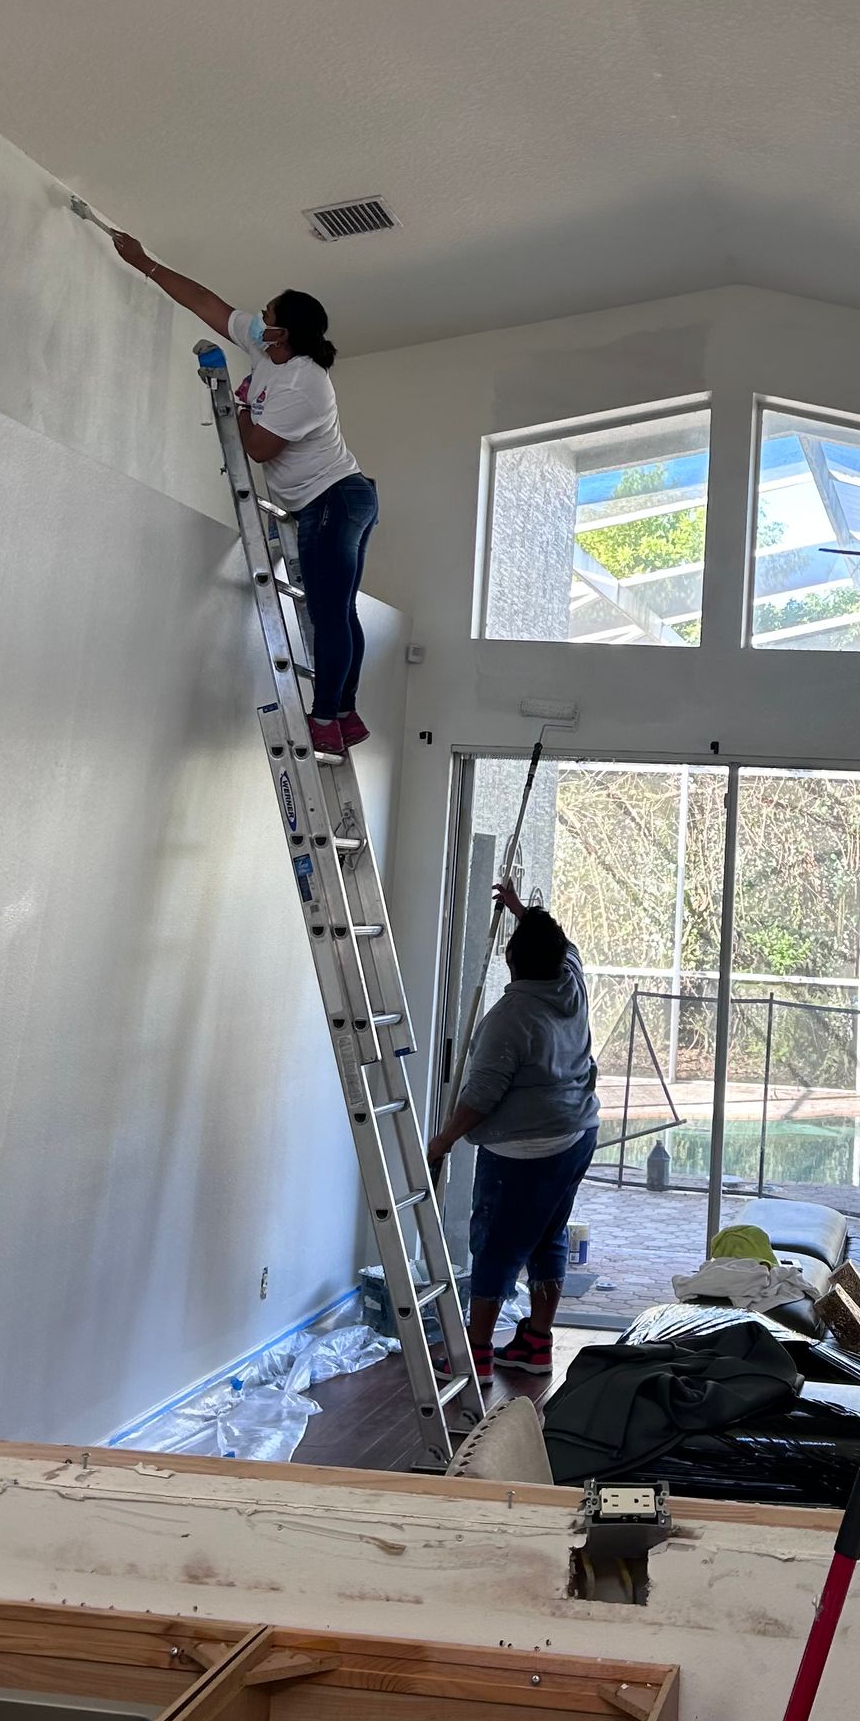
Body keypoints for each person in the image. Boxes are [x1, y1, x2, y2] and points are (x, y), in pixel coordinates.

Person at [106, 232, 377, 756]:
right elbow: (207, 303)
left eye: (266, 313)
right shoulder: (268, 349)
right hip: (333, 498)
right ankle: (344, 713)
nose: (257, 316)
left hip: (336, 500)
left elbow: (257, 449)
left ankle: (325, 718)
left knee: (329, 611)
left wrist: (242, 399)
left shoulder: (305, 383)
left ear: (283, 330)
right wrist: (145, 264)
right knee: (338, 609)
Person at [428, 879, 599, 1390]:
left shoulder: (510, 1018)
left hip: (526, 1151)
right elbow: (561, 944)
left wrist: (443, 1141)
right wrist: (522, 911)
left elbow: (481, 1096)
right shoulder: (570, 980)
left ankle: (475, 1354)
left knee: (496, 1246)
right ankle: (535, 1344)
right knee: (548, 1236)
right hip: (577, 1135)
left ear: (511, 961)